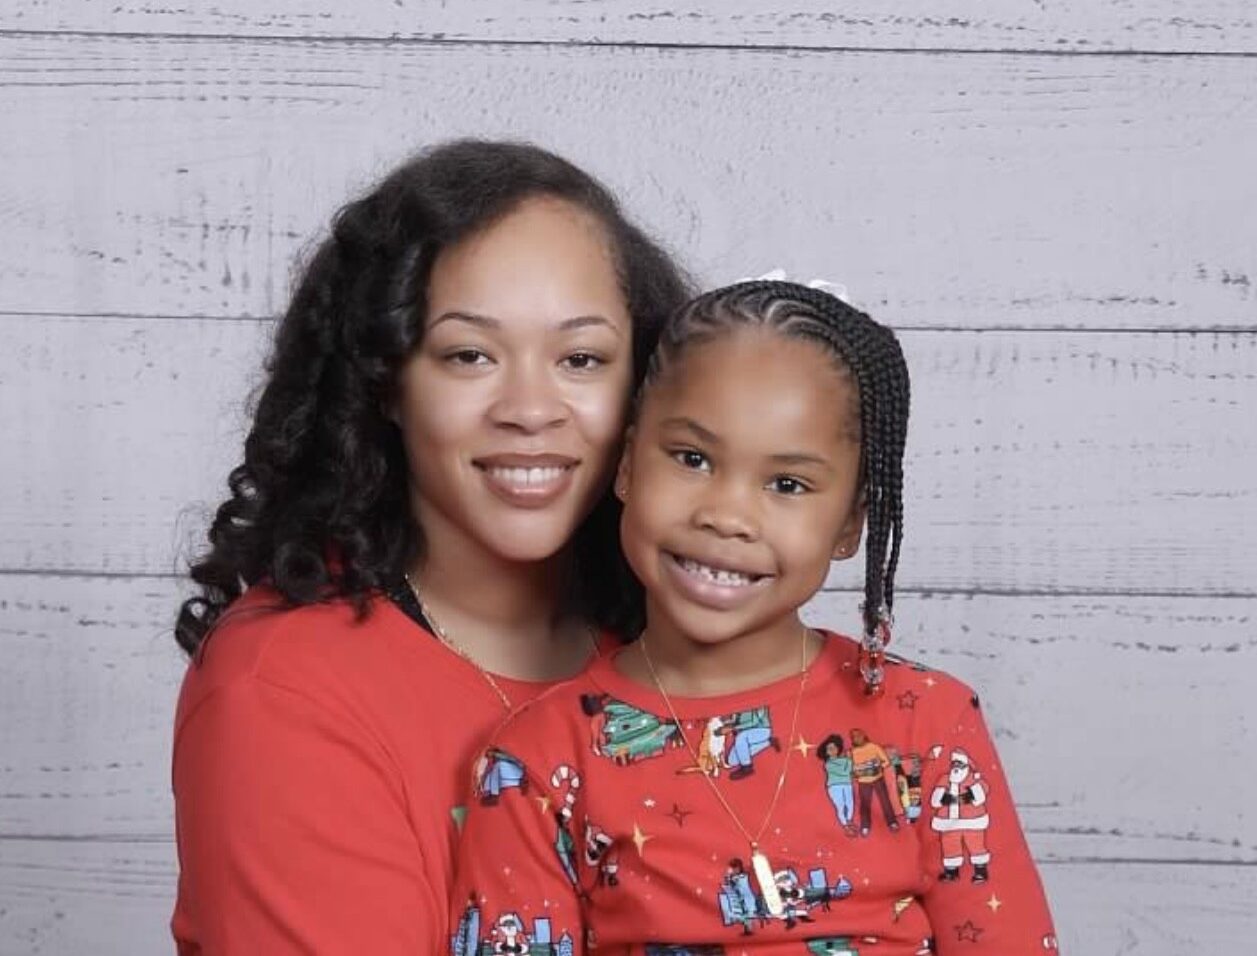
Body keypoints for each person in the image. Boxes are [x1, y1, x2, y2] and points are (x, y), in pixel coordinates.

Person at [169, 139, 691, 954]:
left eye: (581, 358)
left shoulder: (682, 644)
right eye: (469, 355)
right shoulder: (283, 689)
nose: (529, 407)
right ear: (386, 381)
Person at [449, 280, 1056, 954]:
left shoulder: (928, 721)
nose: (727, 516)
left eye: (787, 485)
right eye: (692, 459)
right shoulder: (540, 760)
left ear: (850, 523)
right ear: (625, 466)